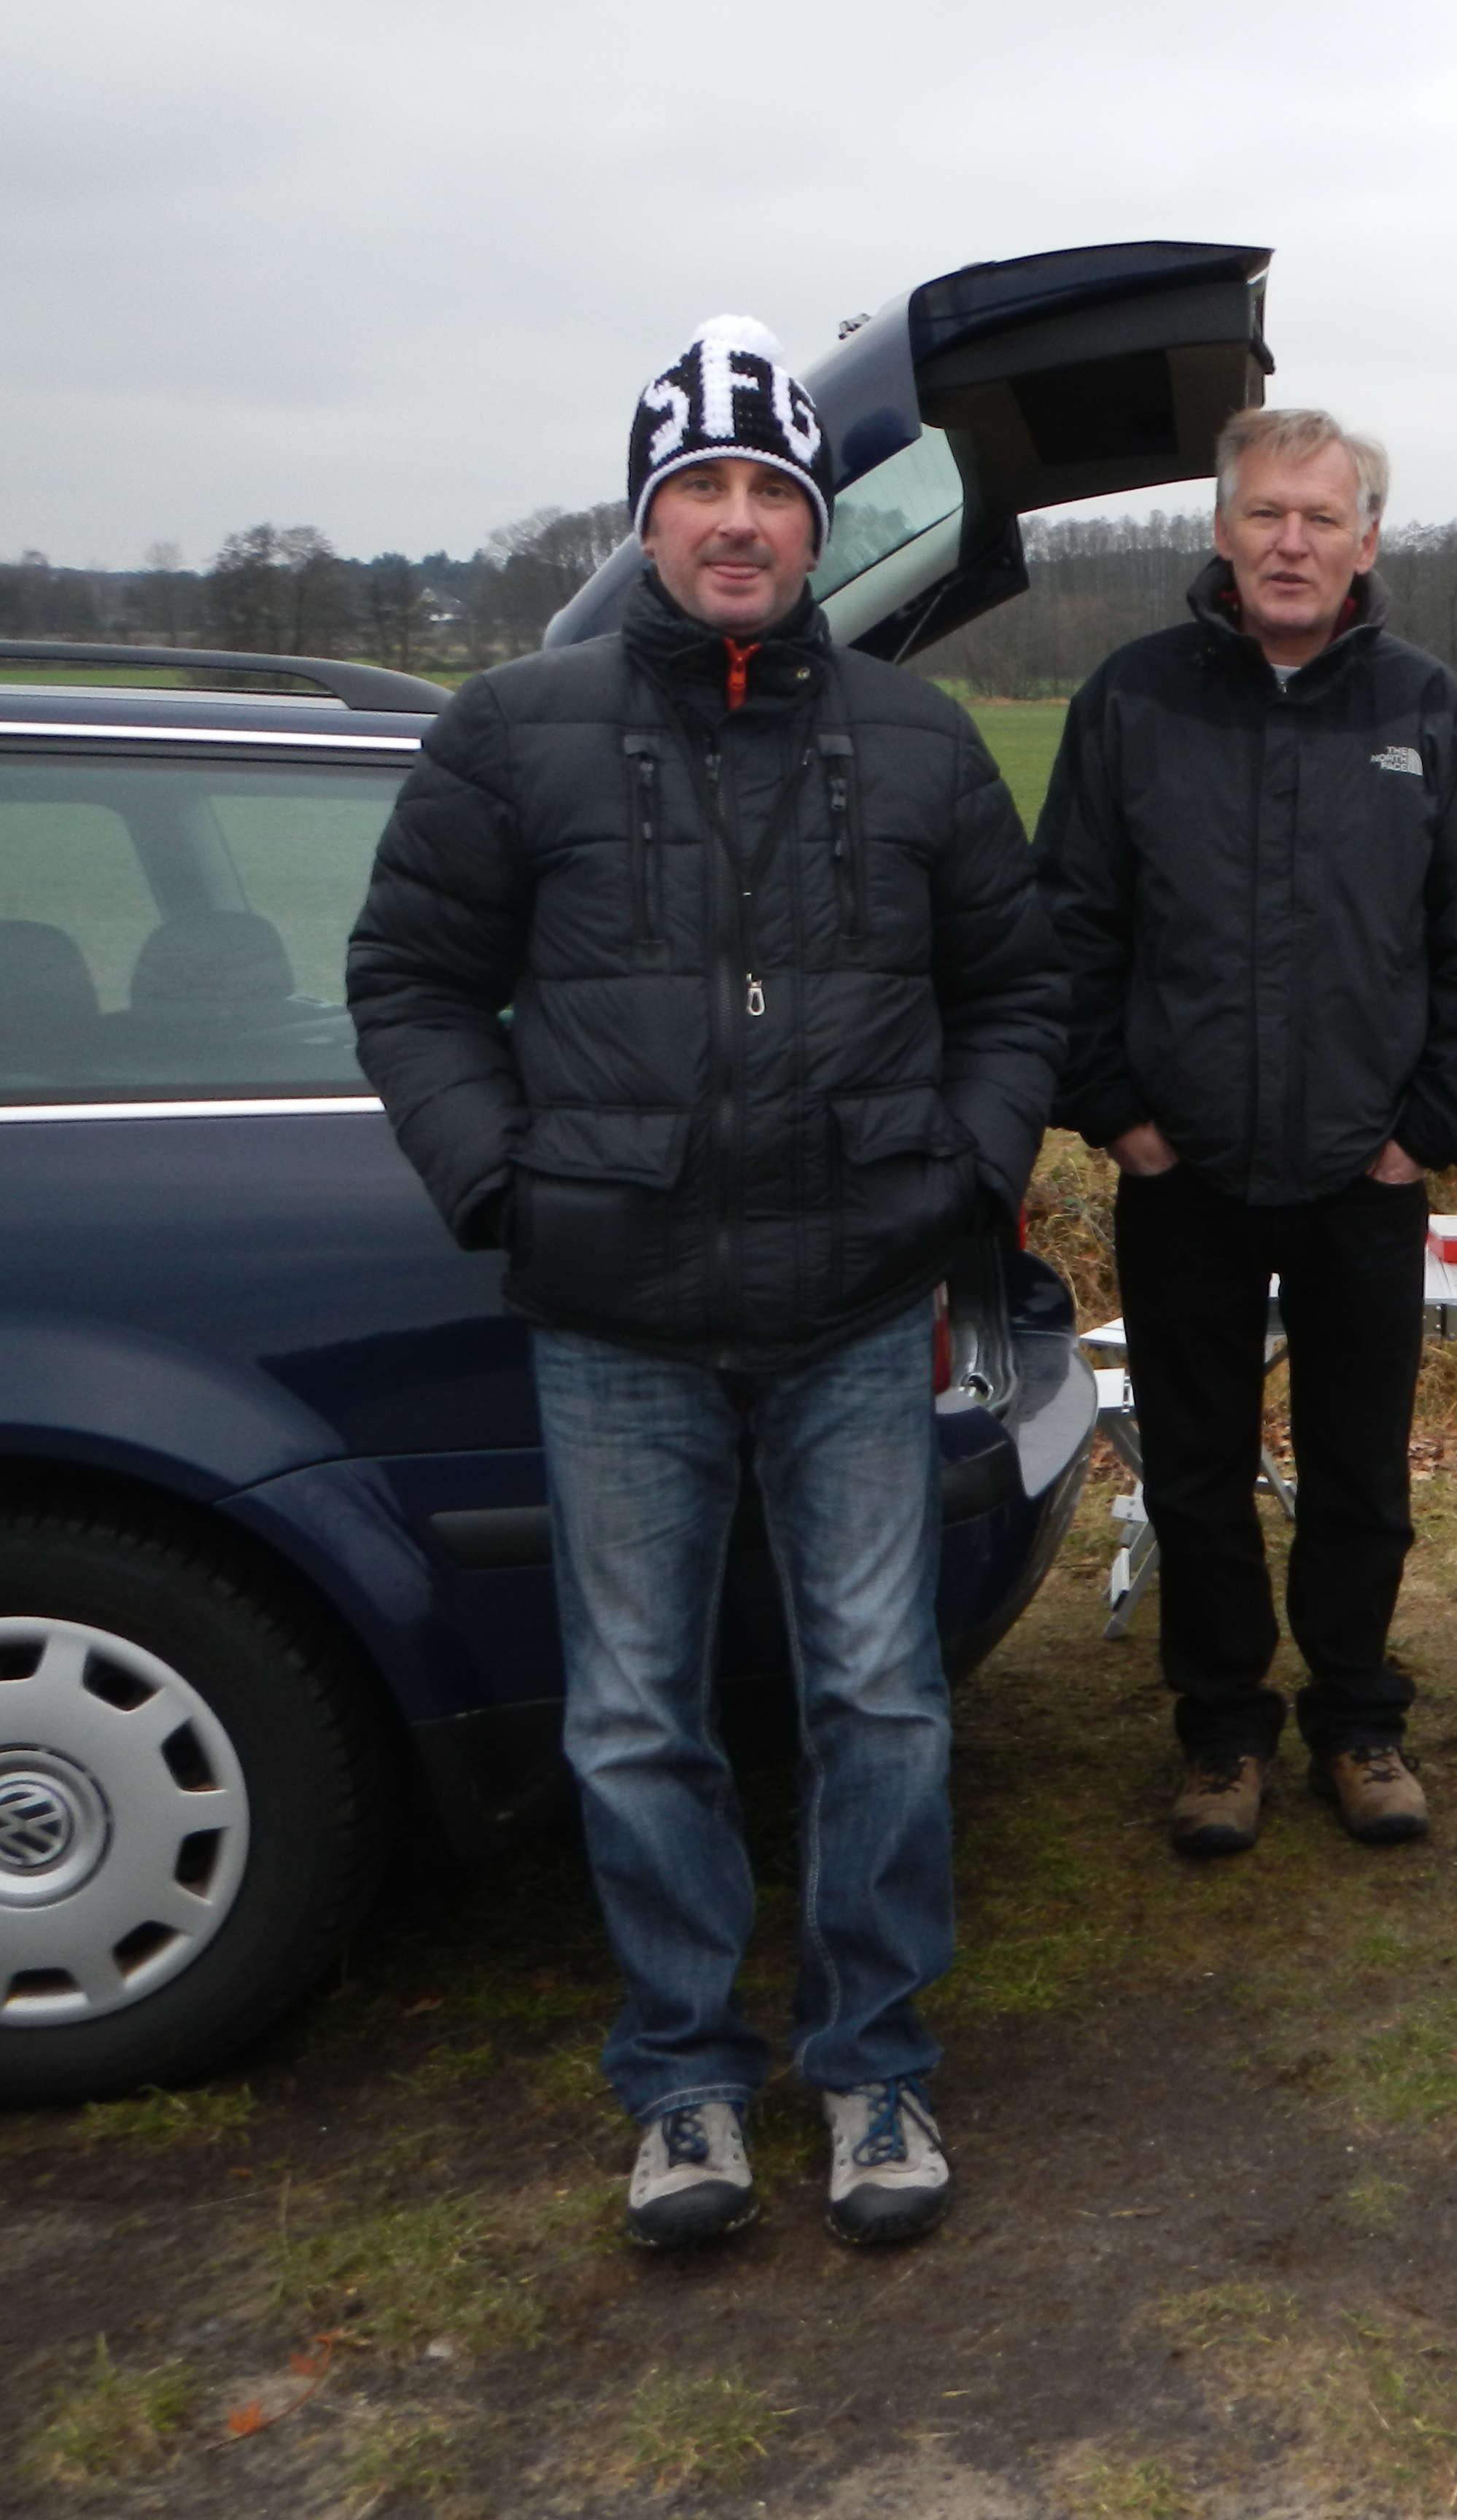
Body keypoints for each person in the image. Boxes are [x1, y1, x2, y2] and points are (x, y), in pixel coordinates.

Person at [349, 315, 1062, 2252]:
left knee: (882, 1698)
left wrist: (960, 1176)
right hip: (616, 1318)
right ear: (650, 515)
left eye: (770, 489)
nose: (737, 523)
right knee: (637, 1716)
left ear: (815, 521)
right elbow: (409, 983)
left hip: (850, 1307)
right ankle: (681, 2081)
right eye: (702, 490)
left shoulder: (915, 739)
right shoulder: (513, 730)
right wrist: (506, 1184)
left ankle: (873, 2064)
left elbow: (1015, 995)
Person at [1036, 408, 1457, 1856]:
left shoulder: (1428, 713)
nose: (1294, 542)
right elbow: (1065, 927)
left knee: (1361, 1469)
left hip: (1360, 1174)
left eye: (1323, 517)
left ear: (1367, 539)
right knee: (1193, 1473)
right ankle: (1220, 1732)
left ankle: (1361, 1720)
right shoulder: (1134, 702)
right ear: (1221, 531)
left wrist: (1428, 1128)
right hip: (1181, 1169)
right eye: (1267, 515)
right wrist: (1119, 1117)